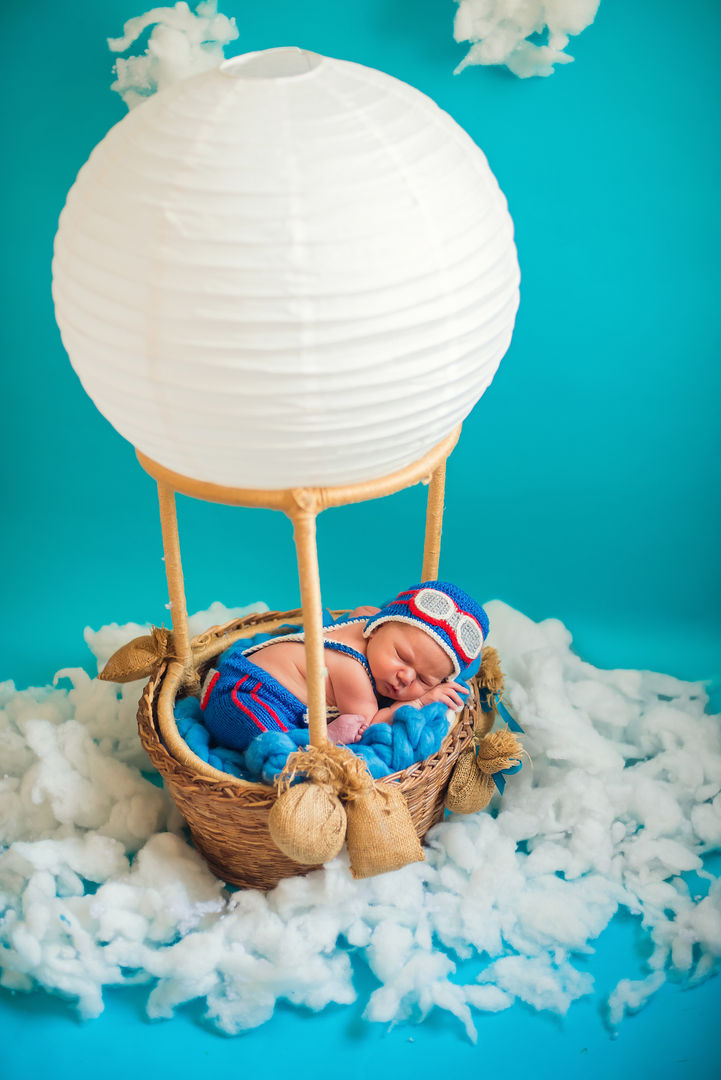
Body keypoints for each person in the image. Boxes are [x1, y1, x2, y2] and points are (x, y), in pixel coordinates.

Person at [200, 581, 489, 750]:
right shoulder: (352, 670)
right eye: (401, 656)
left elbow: (365, 610)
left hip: (251, 680)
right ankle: (320, 738)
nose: (404, 677)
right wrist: (420, 701)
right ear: (376, 628)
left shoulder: (366, 622)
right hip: (244, 697)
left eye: (424, 680)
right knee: (276, 743)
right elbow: (369, 722)